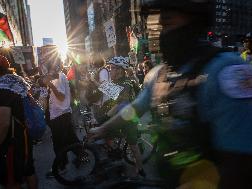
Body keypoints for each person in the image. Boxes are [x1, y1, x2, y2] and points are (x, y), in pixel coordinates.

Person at [90, 0, 252, 188]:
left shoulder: (227, 70)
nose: (159, 33)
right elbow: (135, 108)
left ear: (194, 21)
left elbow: (240, 163)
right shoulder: (159, 74)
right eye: (155, 26)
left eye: (166, 23)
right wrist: (103, 129)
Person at [0, 54, 38, 189]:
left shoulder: (3, 87)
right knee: (28, 170)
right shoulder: (18, 80)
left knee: (11, 179)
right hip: (25, 134)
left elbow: (3, 123)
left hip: (12, 142)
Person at [103, 56, 145, 177]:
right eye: (110, 68)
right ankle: (119, 159)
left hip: (130, 117)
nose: (110, 70)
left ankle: (140, 169)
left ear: (120, 70)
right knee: (109, 137)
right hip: (121, 116)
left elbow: (123, 100)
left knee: (133, 146)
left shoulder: (126, 82)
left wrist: (106, 115)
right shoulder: (115, 82)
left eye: (112, 68)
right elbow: (112, 99)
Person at [42, 62, 79, 178]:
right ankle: (84, 155)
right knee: (71, 139)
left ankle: (61, 167)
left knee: (59, 143)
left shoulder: (59, 76)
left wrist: (51, 85)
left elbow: (61, 96)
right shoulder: (57, 76)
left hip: (60, 115)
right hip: (61, 114)